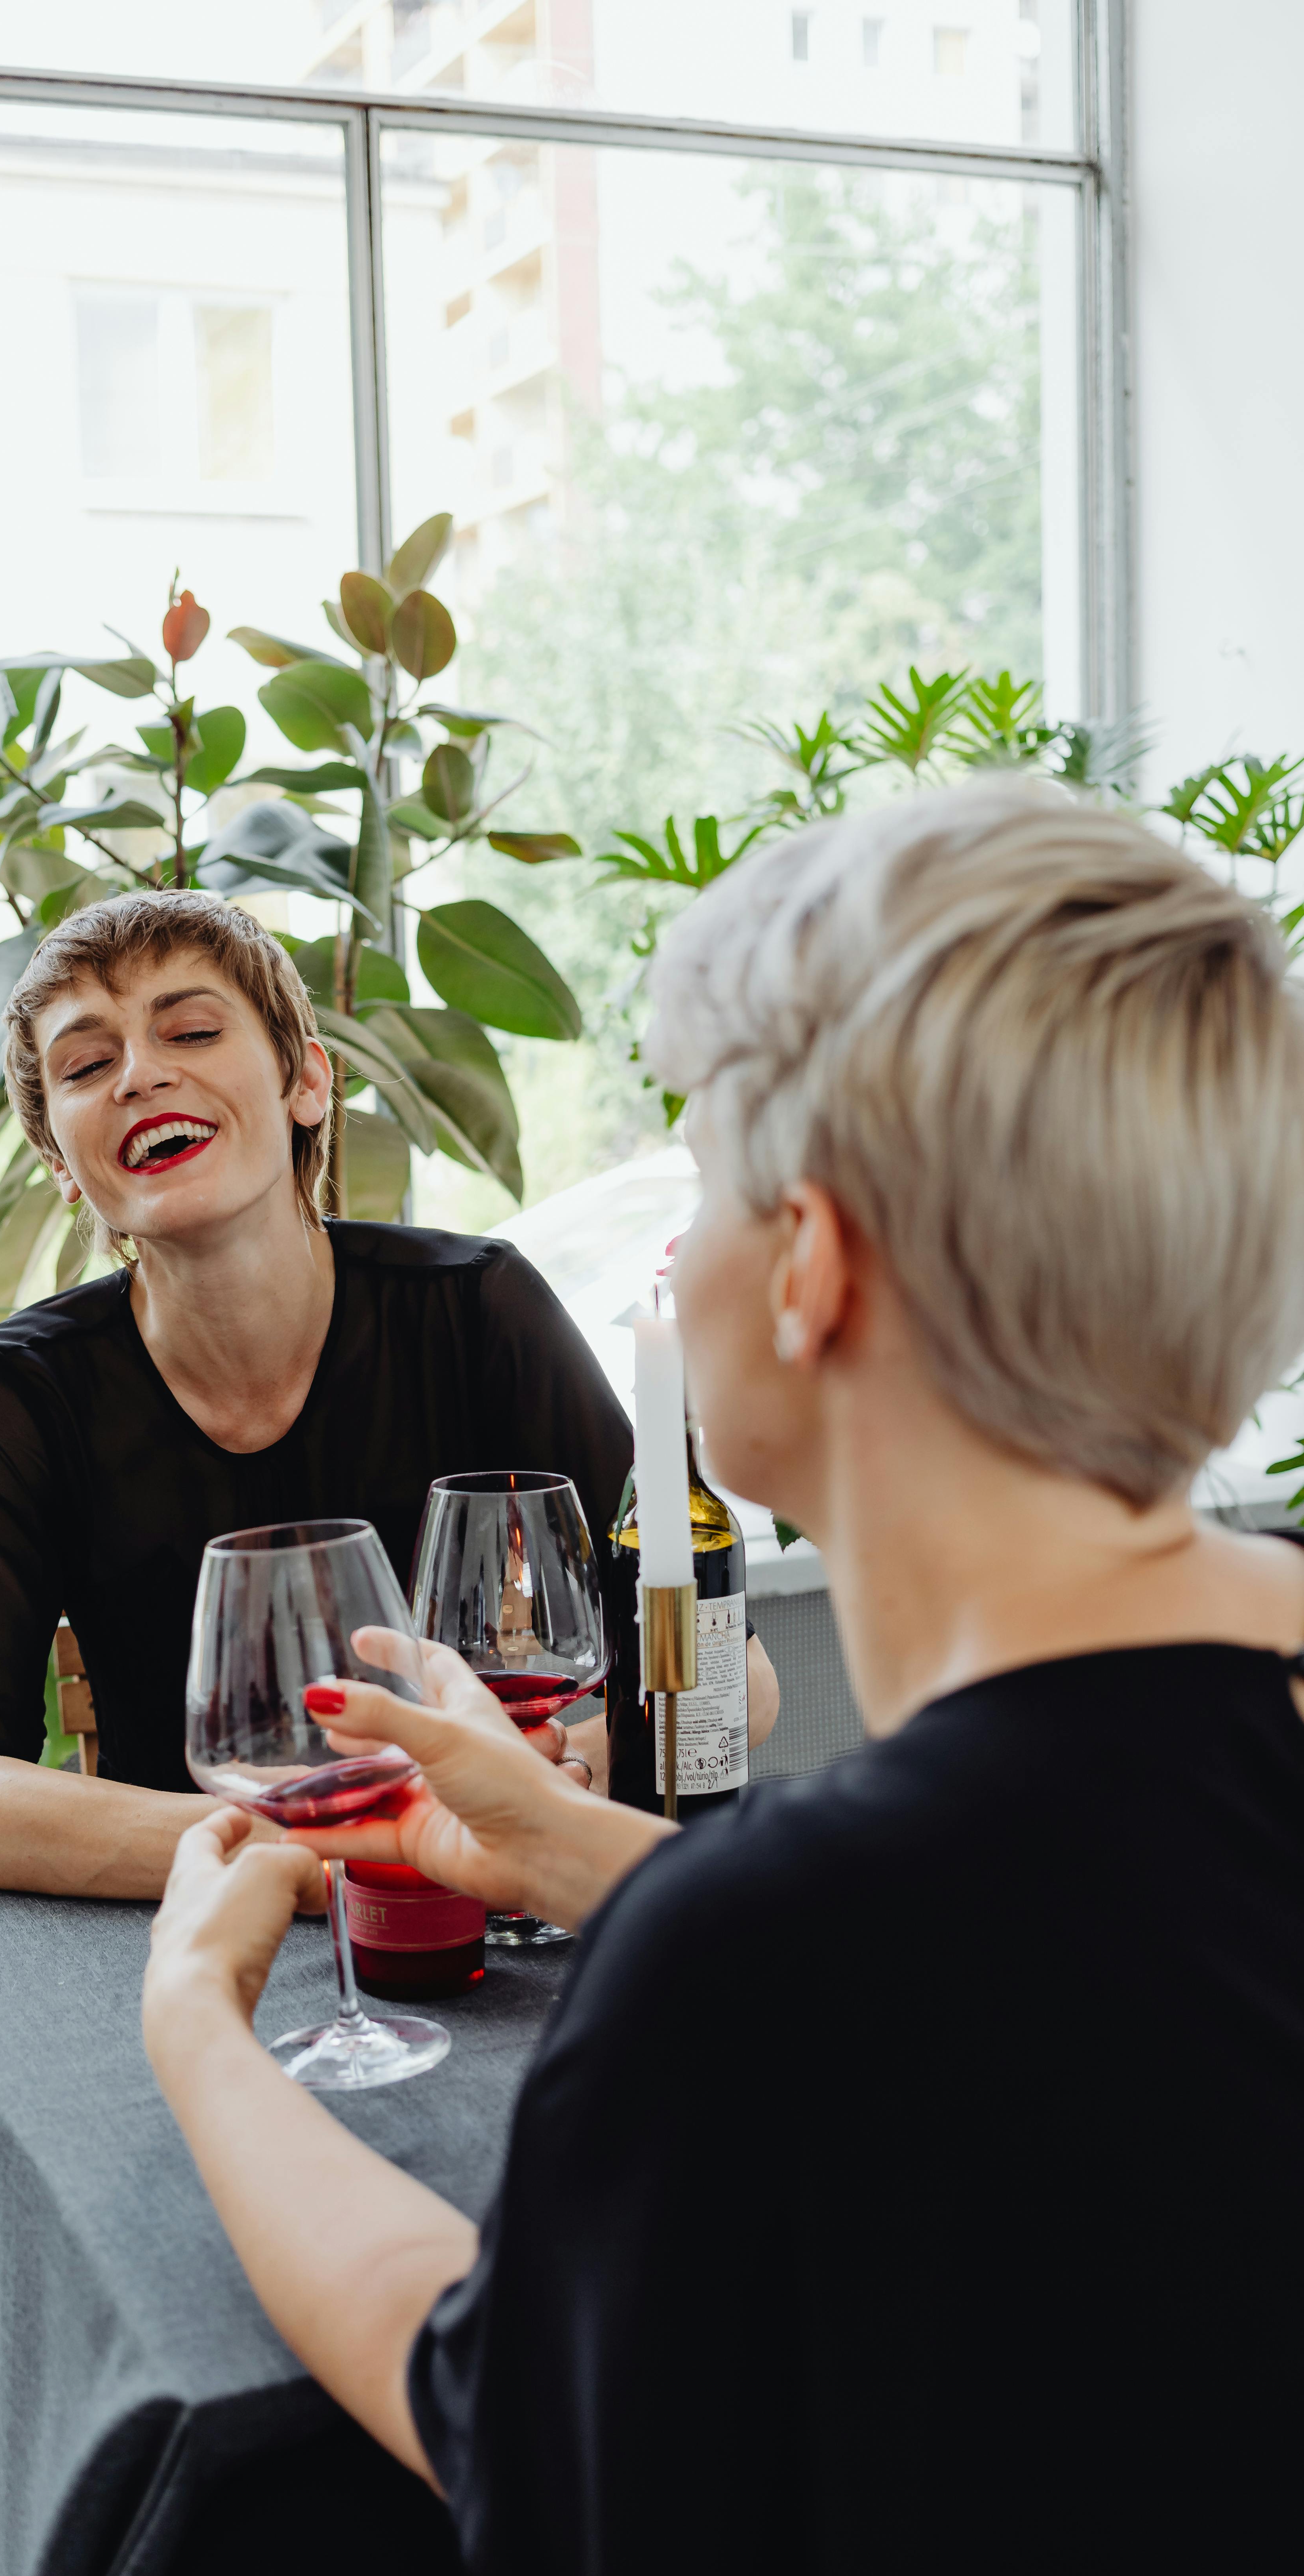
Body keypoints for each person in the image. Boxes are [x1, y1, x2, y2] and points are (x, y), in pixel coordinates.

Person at [143, 783, 1304, 2572]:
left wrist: (197, 2031)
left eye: (699, 1183)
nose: (672, 1250)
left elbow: (485, 2400)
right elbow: (1066, 1956)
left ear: (811, 1267)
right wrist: (559, 1845)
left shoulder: (749, 1966)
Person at [0, 887, 780, 1898]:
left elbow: (728, 1681)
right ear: (60, 1160)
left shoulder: (478, 1309)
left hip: (479, 1906)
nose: (140, 1073)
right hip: (195, 1926)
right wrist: (357, 1846)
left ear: (306, 1082)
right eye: (89, 1065)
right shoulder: (17, 1394)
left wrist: (541, 1790)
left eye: (190, 1029)